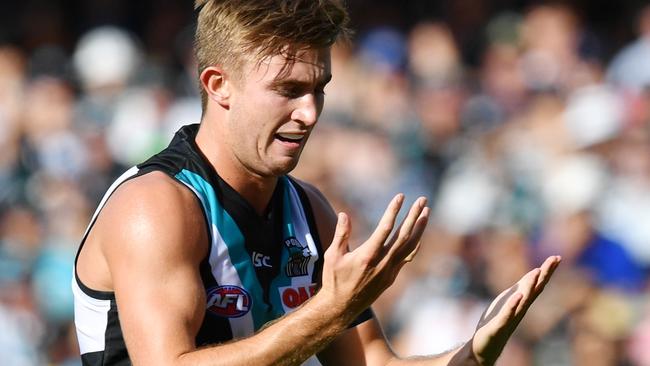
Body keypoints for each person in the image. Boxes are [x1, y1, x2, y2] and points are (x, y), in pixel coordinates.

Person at [72, 1, 561, 365]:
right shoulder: (155, 206)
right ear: (218, 85)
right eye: (288, 90)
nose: (308, 114)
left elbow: (373, 364)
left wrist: (473, 353)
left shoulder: (309, 210)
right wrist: (328, 311)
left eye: (317, 90)